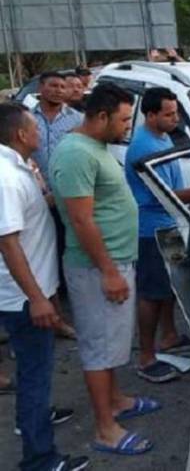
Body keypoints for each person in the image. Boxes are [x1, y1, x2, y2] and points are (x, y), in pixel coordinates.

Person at [49, 84, 156, 456]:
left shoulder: (95, 147)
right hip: (96, 270)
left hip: (111, 263)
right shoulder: (77, 153)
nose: (129, 126)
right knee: (98, 347)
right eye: (124, 119)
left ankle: (115, 401)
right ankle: (105, 430)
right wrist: (109, 271)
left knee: (110, 342)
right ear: (101, 116)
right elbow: (80, 220)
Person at [0, 102, 89, 471]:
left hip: (25, 291)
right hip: (22, 296)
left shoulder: (17, 168)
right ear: (21, 134)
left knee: (33, 367)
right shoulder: (6, 177)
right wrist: (37, 298)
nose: (40, 133)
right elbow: (7, 241)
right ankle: (40, 458)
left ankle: (33, 417)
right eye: (34, 127)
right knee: (36, 371)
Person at [125, 87, 190, 383]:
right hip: (153, 230)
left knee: (171, 286)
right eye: (168, 114)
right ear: (151, 115)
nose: (175, 118)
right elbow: (168, 195)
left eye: (176, 112)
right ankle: (147, 357)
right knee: (152, 292)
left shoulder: (161, 137)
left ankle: (170, 336)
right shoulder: (144, 148)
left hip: (170, 225)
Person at [30, 72, 81, 341]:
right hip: (34, 199)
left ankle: (65, 308)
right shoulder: (27, 118)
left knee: (66, 247)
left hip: (68, 197)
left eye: (63, 87)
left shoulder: (76, 120)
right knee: (40, 253)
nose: (59, 91)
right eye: (53, 85)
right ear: (41, 88)